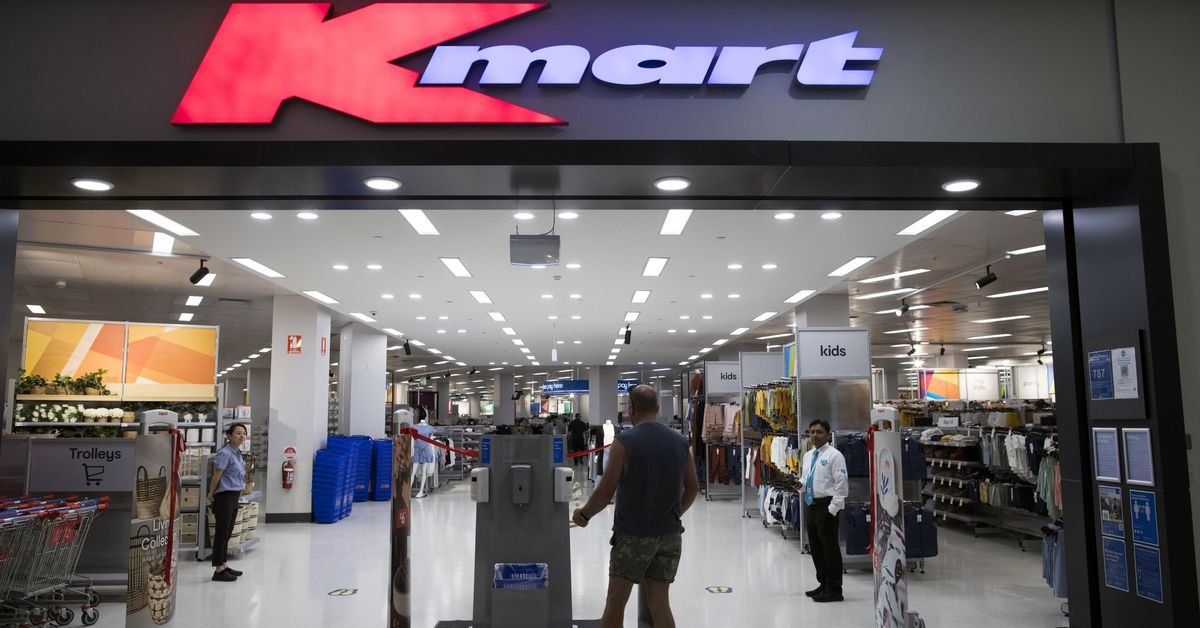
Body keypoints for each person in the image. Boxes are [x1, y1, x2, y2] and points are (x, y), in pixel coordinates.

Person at [573, 385, 699, 628]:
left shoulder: (624, 443)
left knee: (615, 603)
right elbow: (692, 488)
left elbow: (605, 492)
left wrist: (584, 514)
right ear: (657, 408)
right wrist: (674, 513)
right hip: (670, 536)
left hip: (633, 536)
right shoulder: (680, 442)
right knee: (659, 603)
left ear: (631, 409)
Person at [799, 419, 849, 602]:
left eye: (819, 432)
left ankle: (835, 589)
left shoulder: (835, 455)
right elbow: (806, 479)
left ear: (828, 435)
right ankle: (823, 583)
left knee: (830, 548)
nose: (815, 435)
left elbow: (841, 484)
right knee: (816, 547)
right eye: (812, 432)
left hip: (826, 506)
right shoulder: (808, 455)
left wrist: (832, 509)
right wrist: (799, 485)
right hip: (811, 503)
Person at [209, 423, 248, 582]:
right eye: (238, 433)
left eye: (244, 433)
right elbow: (216, 476)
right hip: (224, 496)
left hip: (234, 496)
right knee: (222, 533)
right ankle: (218, 570)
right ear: (229, 436)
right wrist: (211, 493)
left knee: (228, 532)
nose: (242, 436)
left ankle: (224, 564)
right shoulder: (225, 453)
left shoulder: (238, 454)